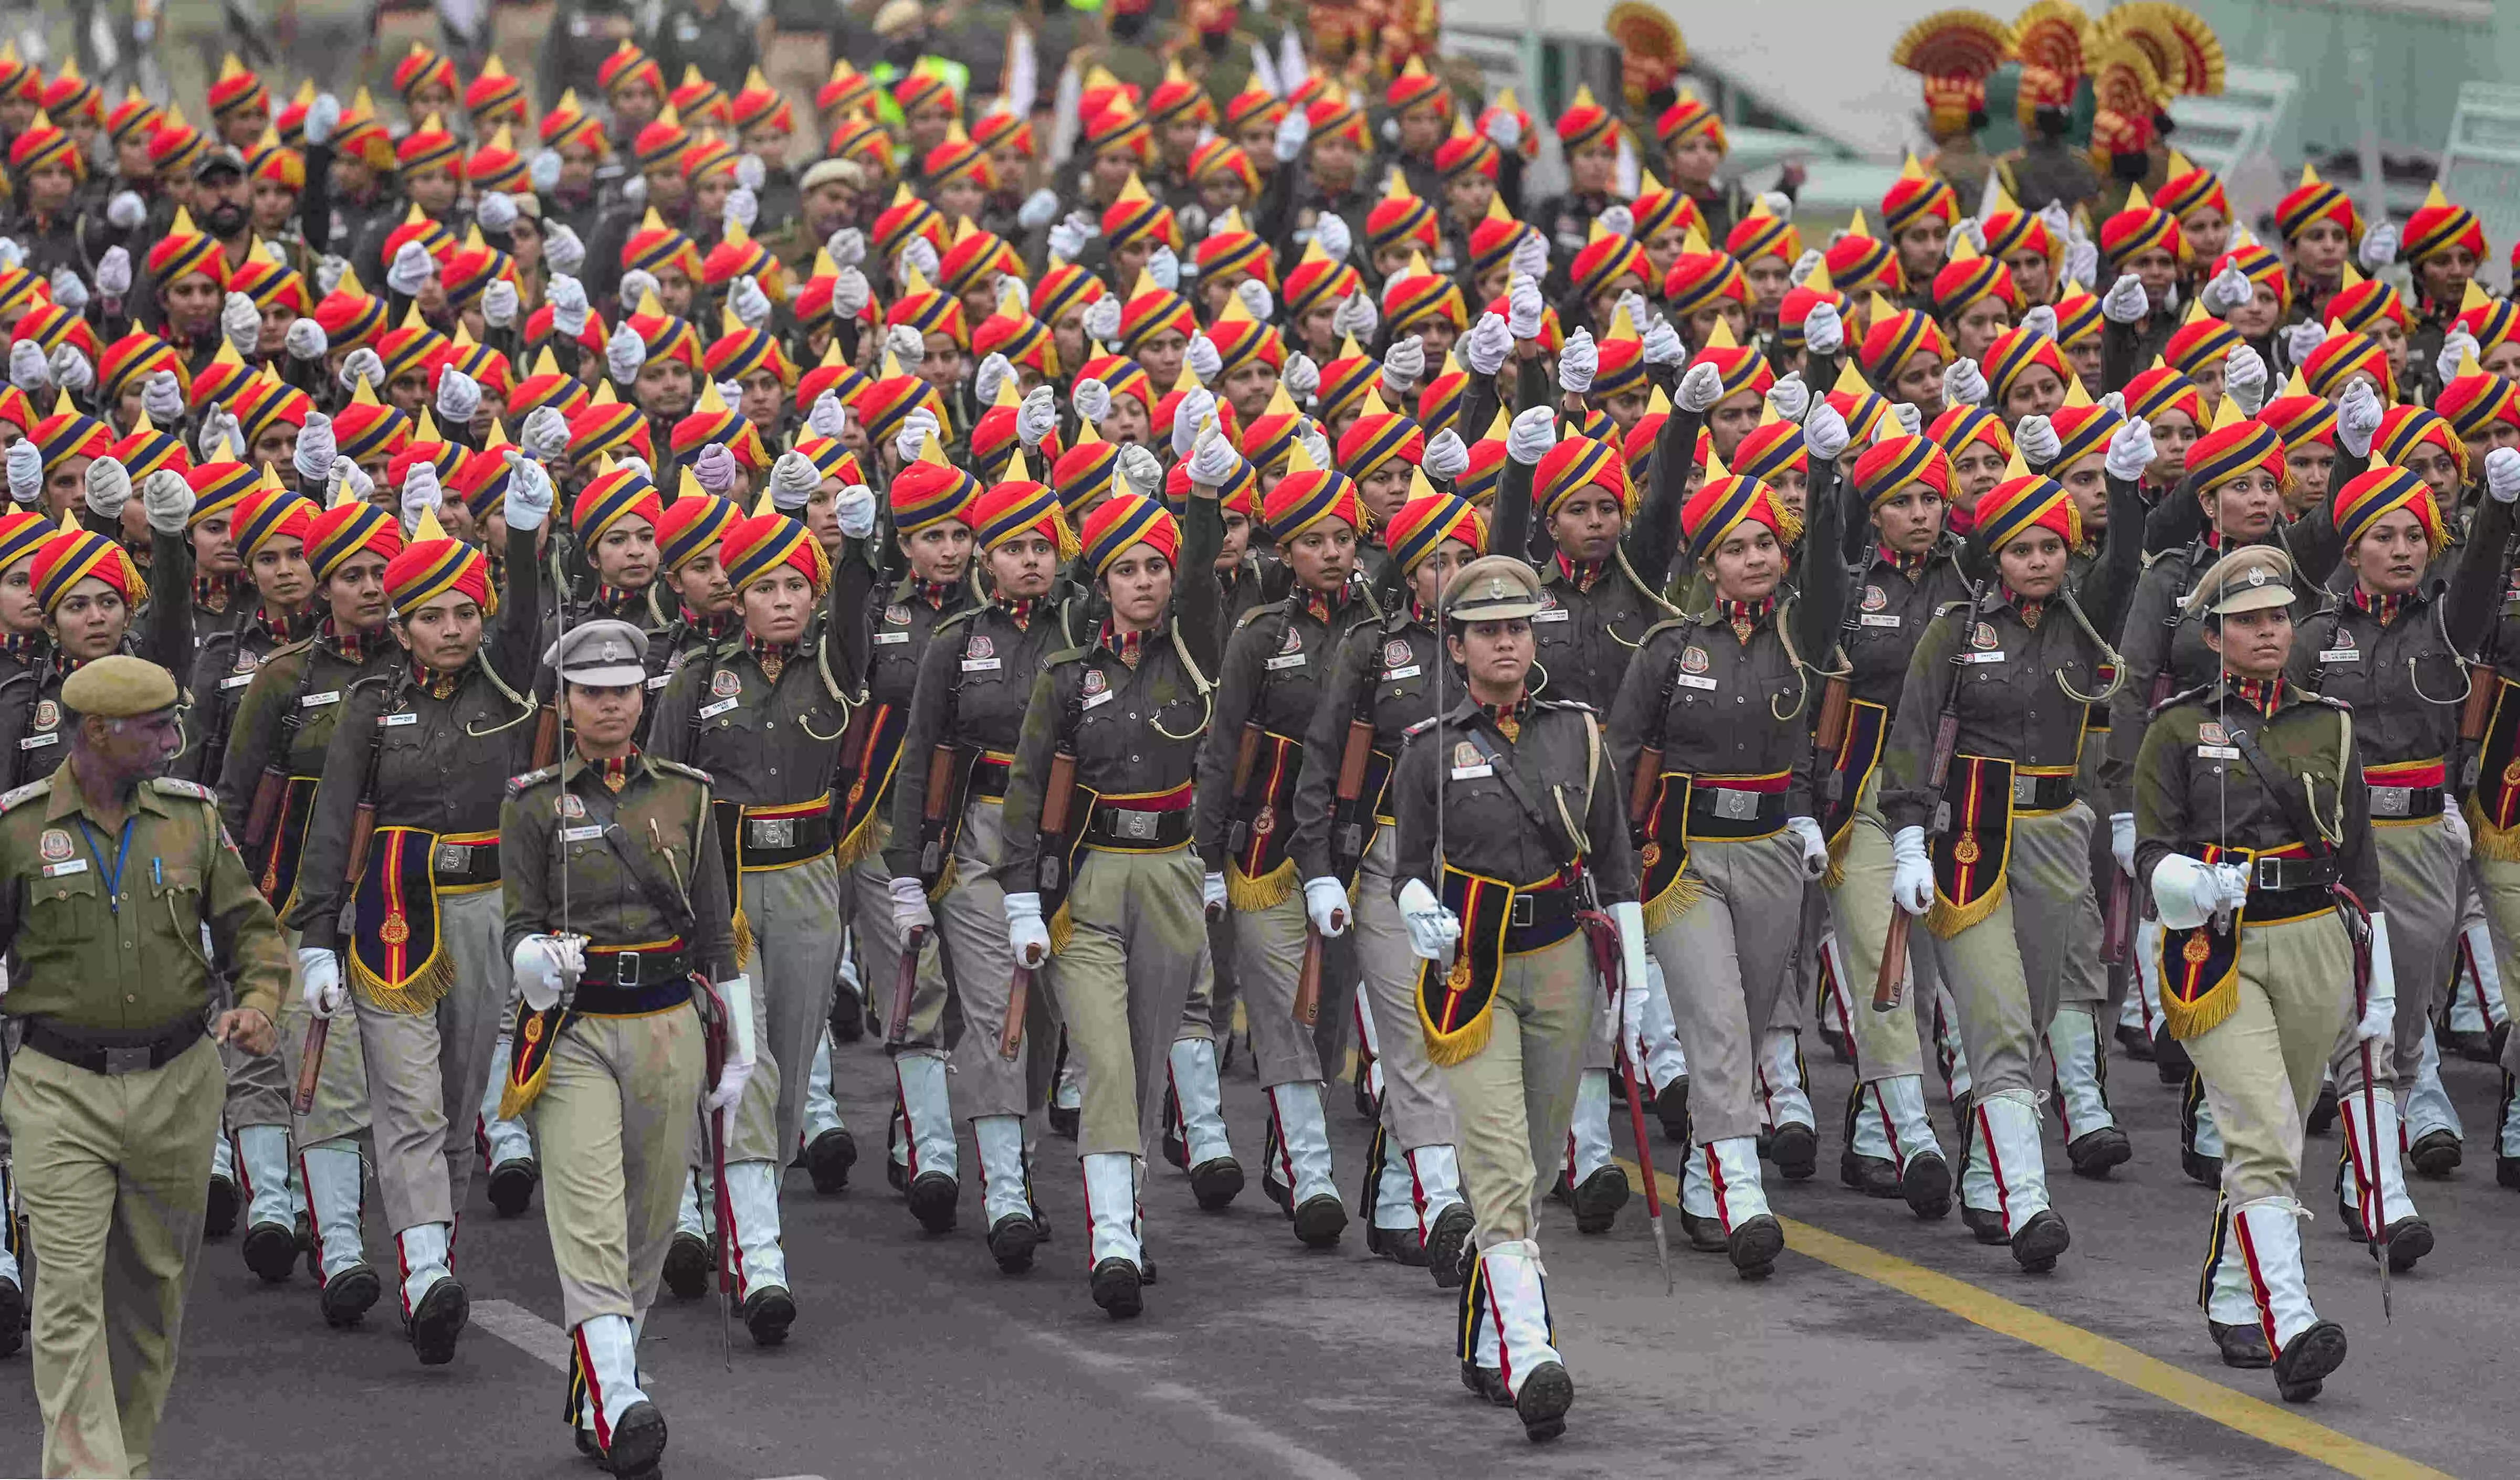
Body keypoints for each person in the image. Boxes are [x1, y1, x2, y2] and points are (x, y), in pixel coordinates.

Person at [284, 461, 549, 1367]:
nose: (451, 630)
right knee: (406, 1104)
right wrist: (317, 942)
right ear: (399, 626)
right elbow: (330, 830)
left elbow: (526, 621)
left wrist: (520, 530)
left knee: (457, 1096)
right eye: (431, 616)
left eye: (463, 614)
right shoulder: (369, 704)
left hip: (485, 912)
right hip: (391, 916)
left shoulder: (508, 686)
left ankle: (435, 1250)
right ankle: (428, 1269)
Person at [1, 654, 289, 1477]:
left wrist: (262, 1003)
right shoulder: (17, 830)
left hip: (179, 1082)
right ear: (98, 732)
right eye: (158, 727)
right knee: (64, 1295)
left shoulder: (191, 820)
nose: (175, 740)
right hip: (59, 1089)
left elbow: (253, 932)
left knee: (150, 1296)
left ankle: (123, 1462)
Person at [1877, 432, 2144, 1269]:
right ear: (1993, 557)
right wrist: (1913, 838)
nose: (2038, 562)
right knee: (1995, 1016)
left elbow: (2126, 559)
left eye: (2052, 547)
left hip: (2059, 832)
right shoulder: (1955, 632)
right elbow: (1914, 737)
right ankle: (2030, 1202)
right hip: (1969, 839)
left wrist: (2127, 486)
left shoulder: (2088, 621)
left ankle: (1991, 1173)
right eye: (2021, 549)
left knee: (2028, 1016)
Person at [1391, 553, 1640, 1442]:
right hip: (1474, 973)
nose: (1506, 642)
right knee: (1498, 1162)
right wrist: (1418, 905)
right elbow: (1406, 868)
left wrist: (1635, 972)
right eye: (1488, 630)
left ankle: (1489, 1340)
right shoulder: (1427, 749)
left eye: (1519, 626)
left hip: (1565, 957)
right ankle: (1535, 1354)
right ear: (1455, 648)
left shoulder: (1579, 732)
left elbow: (1615, 857)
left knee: (1532, 1163)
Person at [499, 618, 742, 1478]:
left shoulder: (688, 792)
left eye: (624, 690)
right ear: (564, 704)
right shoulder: (530, 800)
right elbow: (518, 930)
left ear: (646, 696)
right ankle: (619, 1389)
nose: (610, 705)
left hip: (670, 1019)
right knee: (590, 1211)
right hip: (573, 1030)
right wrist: (536, 961)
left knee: (648, 1218)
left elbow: (716, 930)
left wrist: (738, 1046)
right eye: (592, 692)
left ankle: (601, 1381)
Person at [995, 435, 1230, 1319]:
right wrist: (1022, 897)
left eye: (1155, 568)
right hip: (1088, 890)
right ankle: (1112, 1241)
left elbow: (1207, 580)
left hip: (1170, 876)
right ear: (1100, 587)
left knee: (1144, 1052)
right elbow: (1026, 794)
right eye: (1125, 569)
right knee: (1103, 1059)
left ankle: (1129, 1215)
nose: (1144, 582)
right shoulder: (1066, 676)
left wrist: (1199, 496)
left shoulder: (1196, 656)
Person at [2132, 544, 2368, 1403]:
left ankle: (2237, 1292)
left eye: (2277, 617)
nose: (2267, 633)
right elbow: (2149, 848)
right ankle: (2293, 1319)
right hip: (2215, 949)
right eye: (2247, 622)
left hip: (2313, 935)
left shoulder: (2329, 724)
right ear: (2213, 635)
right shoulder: (2175, 727)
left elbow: (2358, 859)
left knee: (2279, 1128)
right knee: (2265, 1127)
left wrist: (2370, 991)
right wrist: (2188, 882)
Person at [646, 464, 876, 1342]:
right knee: (744, 1064)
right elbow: (661, 794)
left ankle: (725, 1196)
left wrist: (854, 549)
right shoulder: (696, 680)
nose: (783, 602)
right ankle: (761, 1259)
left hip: (811, 881)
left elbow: (854, 611)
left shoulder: (834, 662)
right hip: (722, 886)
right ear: (734, 599)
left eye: (796, 586)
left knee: (791, 1058)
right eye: (765, 588)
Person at [2292, 457, 2515, 1267]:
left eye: (2415, 535)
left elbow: (2485, 576)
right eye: (2382, 536)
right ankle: (2382, 1191)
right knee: (2367, 1018)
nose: (2401, 549)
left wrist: (2496, 504)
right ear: (2351, 549)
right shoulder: (2315, 636)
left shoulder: (2447, 626)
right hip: (2345, 846)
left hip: (2423, 844)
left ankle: (2363, 1169)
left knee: (2409, 1021)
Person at [883, 469, 1087, 1273]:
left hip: (1067, 840)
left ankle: (1022, 1155)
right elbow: (916, 758)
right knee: (998, 1002)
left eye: (1042, 546)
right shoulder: (953, 643)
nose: (1030, 562)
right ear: (985, 561)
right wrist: (907, 872)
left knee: (1046, 1025)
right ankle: (1005, 1189)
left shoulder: (1084, 629)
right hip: (980, 841)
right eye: (1012, 548)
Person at [1193, 439, 1380, 1249]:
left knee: (1330, 1012)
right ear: (1285, 551)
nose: (1333, 553)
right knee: (1281, 1009)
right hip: (1266, 848)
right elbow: (1221, 743)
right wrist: (1205, 858)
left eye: (1344, 537)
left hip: (1357, 844)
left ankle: (1286, 1139)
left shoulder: (1385, 628)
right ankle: (1311, 1172)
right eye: (1314, 541)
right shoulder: (1260, 635)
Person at [1290, 486, 1480, 1281]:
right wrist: (1317, 872)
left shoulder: (1503, 642)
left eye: (1467, 559)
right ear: (1407, 573)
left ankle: (1400, 1199)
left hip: (1480, 866)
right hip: (1389, 862)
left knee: (1467, 1035)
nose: (1454, 574)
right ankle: (1446, 1206)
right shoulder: (1372, 647)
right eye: (1437, 562)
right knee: (1413, 1033)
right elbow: (1323, 758)